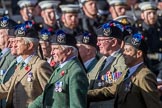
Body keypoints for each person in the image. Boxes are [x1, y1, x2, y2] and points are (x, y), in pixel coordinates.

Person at [88, 32, 162, 108]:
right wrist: (84, 94)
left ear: (139, 54)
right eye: (124, 50)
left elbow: (153, 105)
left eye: (127, 50)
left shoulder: (144, 76)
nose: (124, 53)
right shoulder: (126, 72)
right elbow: (111, 91)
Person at [28, 29, 89, 108]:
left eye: (56, 49)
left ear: (68, 51)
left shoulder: (76, 72)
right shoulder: (60, 68)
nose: (52, 53)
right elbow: (44, 96)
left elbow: (77, 105)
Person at [0, 24, 53, 108]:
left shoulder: (40, 66)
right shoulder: (21, 65)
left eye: (19, 41)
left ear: (30, 45)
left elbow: (50, 95)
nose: (14, 45)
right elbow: (7, 88)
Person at [87, 21, 127, 108]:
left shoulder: (123, 60)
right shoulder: (103, 59)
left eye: (101, 40)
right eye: (98, 40)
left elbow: (115, 85)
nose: (98, 44)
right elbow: (90, 79)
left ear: (114, 42)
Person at [136, 1, 162, 76]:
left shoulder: (159, 28)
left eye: (154, 13)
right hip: (146, 65)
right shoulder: (139, 31)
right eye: (149, 13)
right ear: (142, 15)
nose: (152, 16)